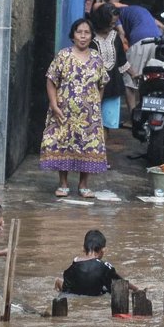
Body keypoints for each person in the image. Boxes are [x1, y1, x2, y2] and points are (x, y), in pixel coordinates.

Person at [40, 18, 109, 198]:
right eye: (79, 32)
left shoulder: (96, 58)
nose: (83, 36)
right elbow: (51, 80)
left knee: (87, 147)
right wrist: (54, 105)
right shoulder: (63, 56)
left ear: (92, 35)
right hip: (64, 112)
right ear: (73, 35)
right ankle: (63, 184)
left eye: (87, 33)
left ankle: (84, 185)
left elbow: (102, 83)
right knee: (64, 144)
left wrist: (96, 105)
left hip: (89, 116)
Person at [90, 4, 135, 141]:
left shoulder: (115, 37)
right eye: (111, 23)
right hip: (93, 87)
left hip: (113, 86)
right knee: (90, 124)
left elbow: (121, 61)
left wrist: (133, 74)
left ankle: (100, 158)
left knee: (105, 125)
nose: (113, 26)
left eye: (114, 23)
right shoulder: (90, 37)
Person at [54, 229, 140, 296]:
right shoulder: (104, 266)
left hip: (72, 293)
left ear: (83, 248)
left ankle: (57, 282)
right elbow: (120, 282)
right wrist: (136, 289)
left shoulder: (75, 261)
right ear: (103, 250)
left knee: (64, 284)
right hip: (94, 294)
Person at [118, 4, 162, 112]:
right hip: (157, 39)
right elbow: (161, 26)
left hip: (140, 40)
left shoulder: (116, 14)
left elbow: (121, 33)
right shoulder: (141, 10)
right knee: (150, 78)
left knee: (129, 82)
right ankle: (149, 114)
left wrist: (120, 51)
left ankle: (133, 118)